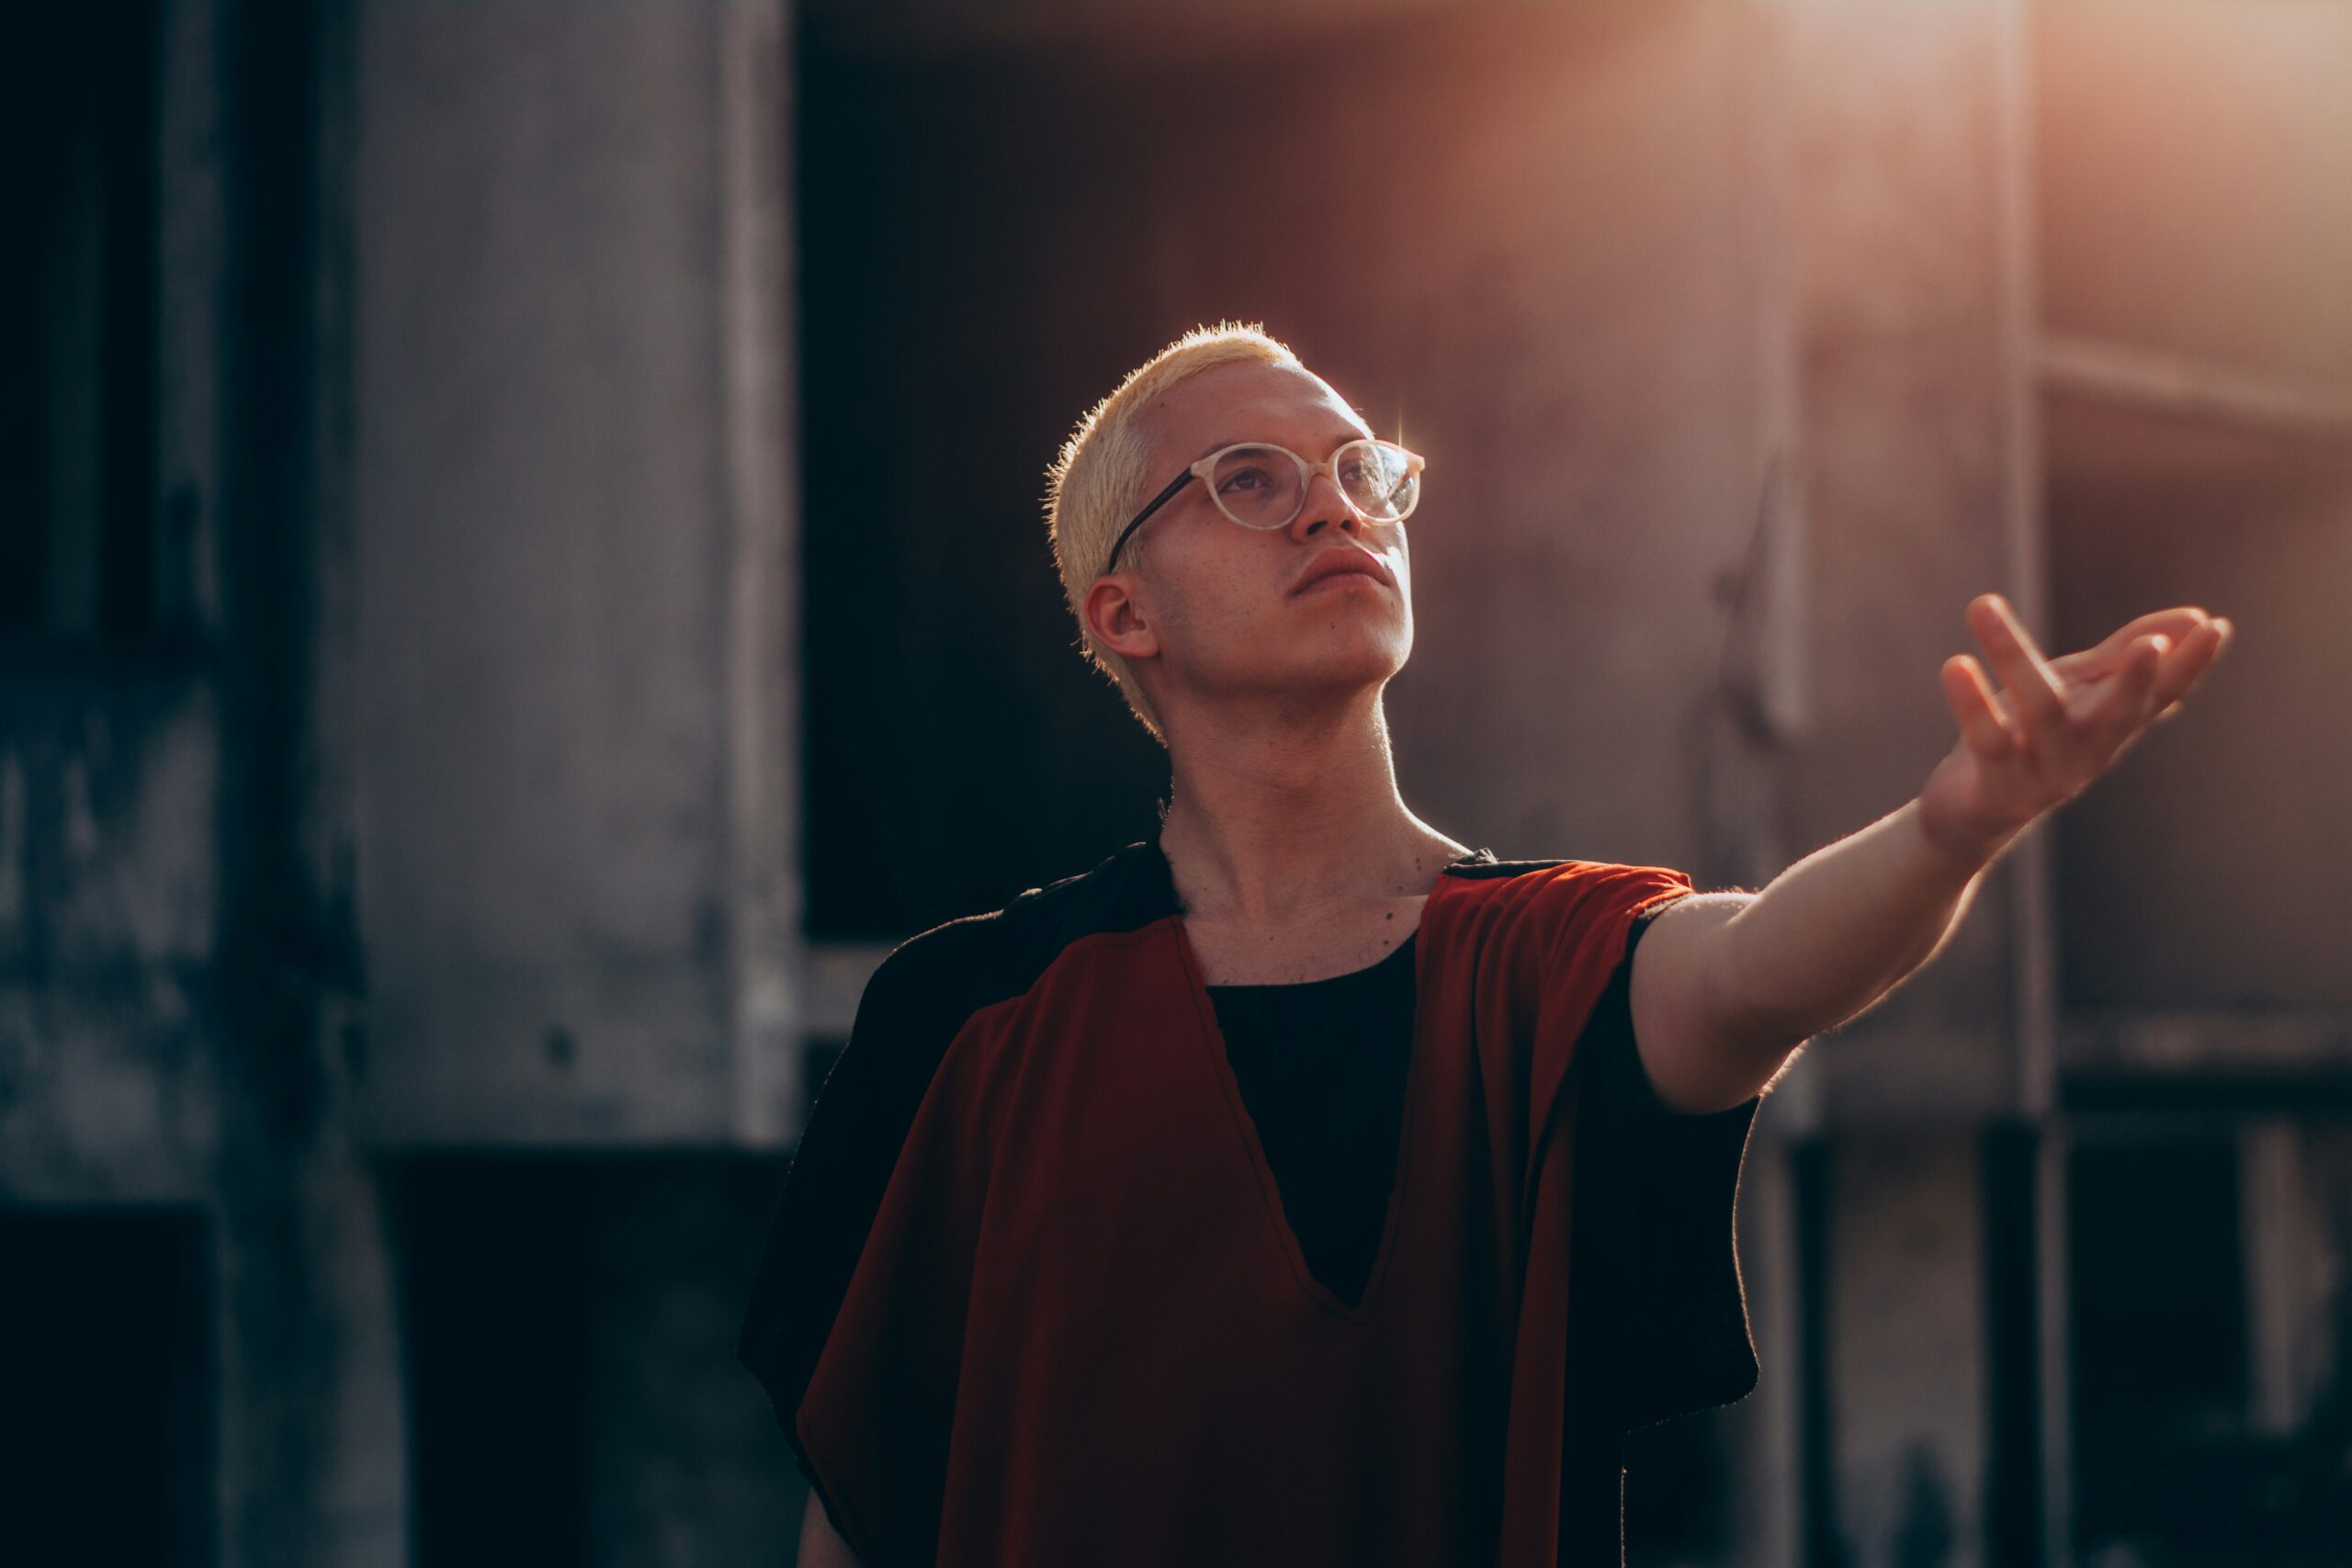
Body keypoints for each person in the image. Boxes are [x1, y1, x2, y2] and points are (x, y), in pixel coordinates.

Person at [738, 323, 2232, 1566]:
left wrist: (1950, 830)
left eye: (1359, 471)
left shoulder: (1546, 962)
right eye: (1249, 481)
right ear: (1123, 612)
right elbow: (862, 1504)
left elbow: (1760, 966)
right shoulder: (967, 1015)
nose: (1335, 508)